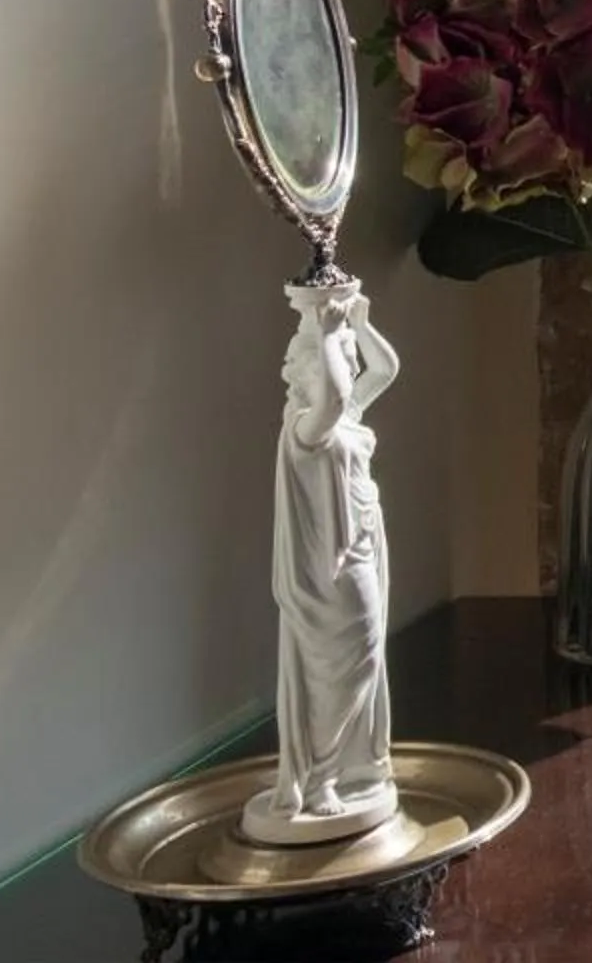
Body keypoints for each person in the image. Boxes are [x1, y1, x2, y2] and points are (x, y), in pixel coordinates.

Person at [243, 278, 398, 846]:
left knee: (365, 655)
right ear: (305, 371)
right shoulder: (306, 428)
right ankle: (322, 777)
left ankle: (350, 768)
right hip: (328, 568)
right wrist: (326, 329)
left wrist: (357, 322)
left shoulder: (345, 415)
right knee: (342, 663)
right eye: (335, 361)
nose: (349, 366)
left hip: (363, 544)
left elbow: (384, 371)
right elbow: (334, 395)